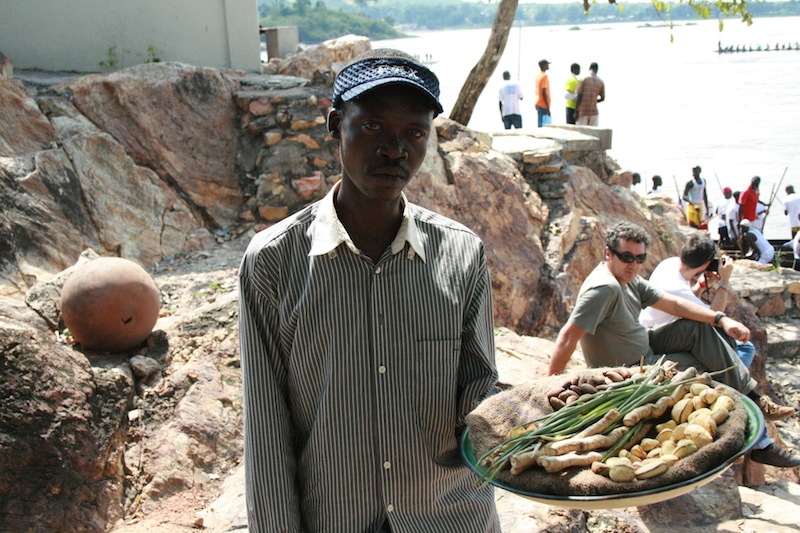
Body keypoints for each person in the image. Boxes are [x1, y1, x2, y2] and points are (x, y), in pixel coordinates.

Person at [238, 49, 500, 532]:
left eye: (414, 133)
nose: (395, 150)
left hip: (451, 518)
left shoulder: (461, 255)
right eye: (374, 127)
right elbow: (266, 429)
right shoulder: (274, 261)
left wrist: (550, 410)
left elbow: (480, 394)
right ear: (336, 123)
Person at [547, 221, 797, 467]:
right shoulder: (604, 288)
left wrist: (721, 319)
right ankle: (758, 438)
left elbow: (674, 305)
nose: (634, 265)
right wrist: (550, 386)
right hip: (633, 366)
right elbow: (568, 336)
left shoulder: (627, 277)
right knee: (714, 365)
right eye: (626, 257)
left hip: (647, 343)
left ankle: (754, 398)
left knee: (701, 329)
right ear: (608, 254)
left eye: (640, 258)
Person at [639, 236, 755, 366]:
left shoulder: (669, 263)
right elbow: (713, 316)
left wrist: (700, 285)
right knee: (745, 348)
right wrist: (724, 282)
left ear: (684, 249)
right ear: (706, 264)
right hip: (657, 337)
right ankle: (734, 382)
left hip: (655, 328)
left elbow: (686, 305)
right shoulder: (677, 289)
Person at [574, 62, 604, 126]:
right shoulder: (601, 82)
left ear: (589, 68)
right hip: (594, 112)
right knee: (592, 134)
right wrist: (594, 101)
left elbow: (579, 96)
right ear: (597, 70)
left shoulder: (583, 79)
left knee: (581, 134)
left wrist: (576, 111)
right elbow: (603, 98)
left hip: (583, 111)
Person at [535, 58, 551, 127]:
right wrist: (547, 107)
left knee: (540, 124)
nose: (548, 66)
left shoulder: (538, 76)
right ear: (543, 65)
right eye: (547, 64)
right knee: (544, 126)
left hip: (538, 102)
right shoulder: (544, 76)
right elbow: (543, 91)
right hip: (543, 104)